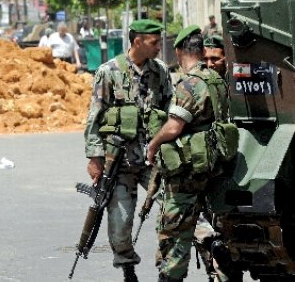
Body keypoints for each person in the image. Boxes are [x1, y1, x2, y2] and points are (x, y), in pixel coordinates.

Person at [83, 19, 172, 282]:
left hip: (153, 161)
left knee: (175, 208)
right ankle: (128, 269)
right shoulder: (109, 72)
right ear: (137, 42)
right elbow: (94, 116)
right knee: (120, 225)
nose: (159, 47)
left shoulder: (161, 72)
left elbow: (170, 111)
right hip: (119, 162)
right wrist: (94, 157)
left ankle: (170, 266)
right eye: (154, 42)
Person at [146, 25, 230, 282]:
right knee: (209, 225)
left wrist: (153, 145)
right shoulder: (215, 80)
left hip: (187, 171)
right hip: (213, 166)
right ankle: (222, 271)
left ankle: (171, 276)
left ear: (179, 50)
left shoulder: (189, 84)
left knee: (175, 233)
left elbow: (174, 127)